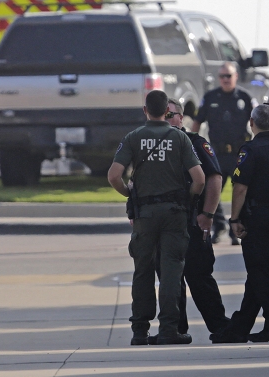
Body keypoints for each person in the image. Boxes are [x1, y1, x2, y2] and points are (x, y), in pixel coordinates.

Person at [108, 90, 205, 346]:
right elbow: (200, 179)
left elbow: (114, 175)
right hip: (174, 213)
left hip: (144, 215)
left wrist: (129, 194)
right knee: (172, 269)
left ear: (145, 110)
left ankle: (139, 330)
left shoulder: (133, 138)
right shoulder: (180, 139)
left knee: (142, 271)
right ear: (167, 112)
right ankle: (169, 329)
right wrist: (188, 199)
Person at [212, 104, 269, 344]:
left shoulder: (250, 150)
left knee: (262, 274)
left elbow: (240, 189)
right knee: (260, 274)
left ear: (252, 122)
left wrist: (234, 219)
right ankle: (239, 328)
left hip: (258, 219)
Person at [157, 99, 228, 340]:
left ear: (181, 117)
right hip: (164, 223)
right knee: (170, 278)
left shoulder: (196, 143)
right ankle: (176, 328)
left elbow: (214, 178)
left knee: (198, 275)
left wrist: (207, 215)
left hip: (193, 221)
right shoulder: (151, 145)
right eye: (163, 114)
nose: (167, 119)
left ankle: (219, 326)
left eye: (171, 114)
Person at [191, 62, 256, 243]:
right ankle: (219, 226)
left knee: (240, 190)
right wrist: (191, 143)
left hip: (239, 153)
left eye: (229, 76)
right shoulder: (211, 97)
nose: (225, 79)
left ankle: (236, 229)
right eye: (222, 76)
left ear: (236, 76)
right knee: (212, 189)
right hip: (217, 153)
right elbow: (197, 122)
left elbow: (256, 122)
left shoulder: (245, 97)